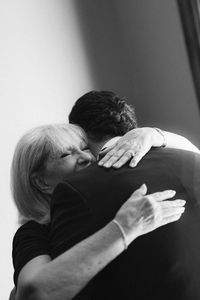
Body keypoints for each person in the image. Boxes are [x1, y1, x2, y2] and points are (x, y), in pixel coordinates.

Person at [43, 90, 200, 300]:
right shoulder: (193, 158)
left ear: (79, 133)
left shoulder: (76, 189)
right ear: (131, 126)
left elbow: (62, 289)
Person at [11, 121, 193, 300]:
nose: (87, 157)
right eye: (66, 155)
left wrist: (153, 134)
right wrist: (124, 228)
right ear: (41, 182)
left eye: (85, 147)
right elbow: (34, 293)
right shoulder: (33, 232)